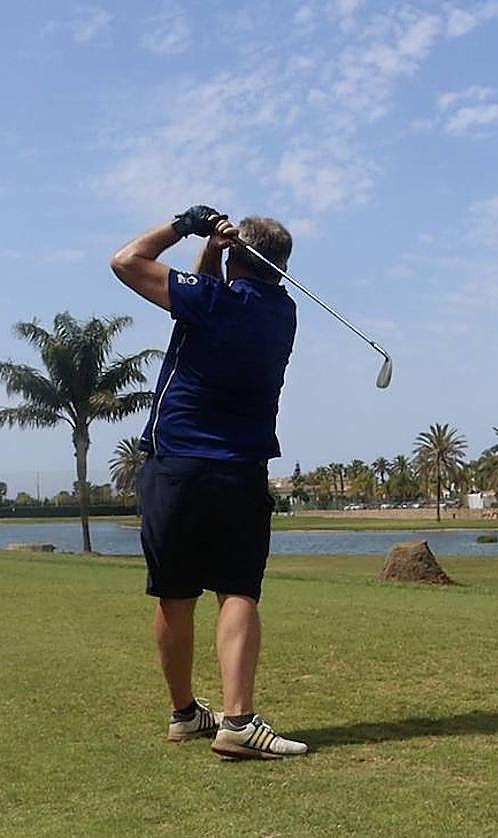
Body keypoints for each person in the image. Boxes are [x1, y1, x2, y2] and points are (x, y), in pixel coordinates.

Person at [111, 205, 306, 760]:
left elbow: (127, 261)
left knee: (175, 594)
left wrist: (186, 226)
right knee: (237, 589)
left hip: (175, 466)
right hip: (239, 469)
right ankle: (235, 721)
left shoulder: (210, 301)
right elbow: (211, 297)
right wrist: (218, 254)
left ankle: (184, 714)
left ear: (238, 255)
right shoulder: (282, 313)